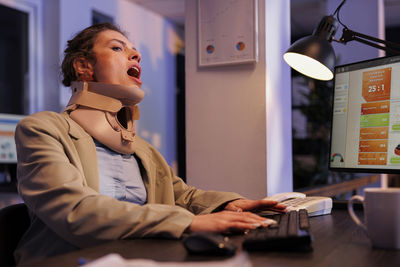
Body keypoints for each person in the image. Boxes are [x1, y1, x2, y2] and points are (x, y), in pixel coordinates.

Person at [14, 23, 285, 264]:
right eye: (118, 48)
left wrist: (229, 205)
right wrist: (189, 222)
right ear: (84, 67)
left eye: (134, 50)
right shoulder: (42, 129)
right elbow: (74, 210)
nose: (136, 55)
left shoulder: (141, 149)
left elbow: (181, 195)